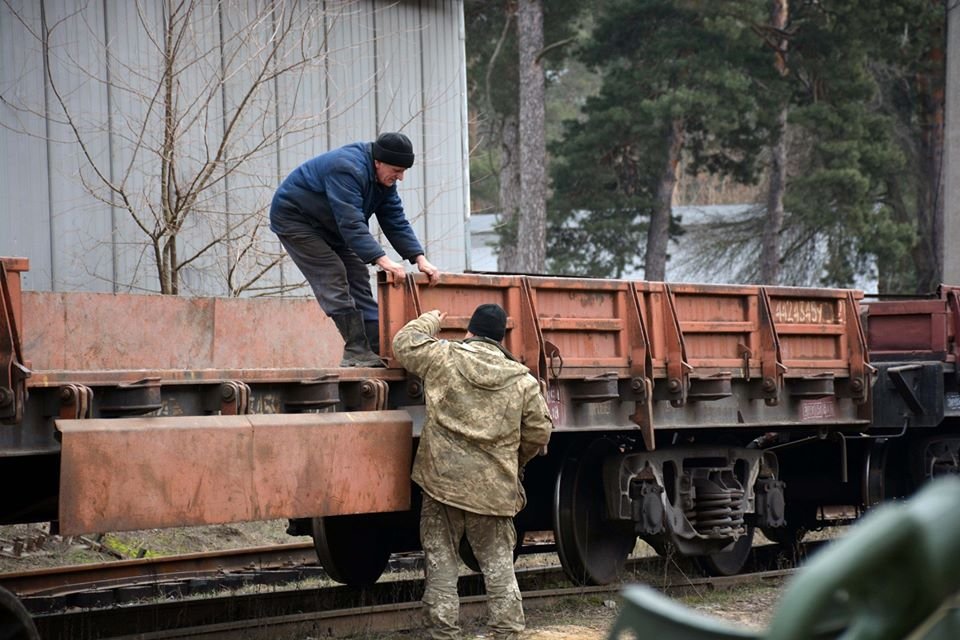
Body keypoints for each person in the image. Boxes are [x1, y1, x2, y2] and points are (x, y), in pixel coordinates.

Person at [392, 304, 553, 639]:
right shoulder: (522, 380)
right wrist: (514, 461)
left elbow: (405, 343)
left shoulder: (444, 357)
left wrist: (432, 319)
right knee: (498, 567)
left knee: (441, 565)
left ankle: (444, 633)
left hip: (441, 485)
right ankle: (505, 632)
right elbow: (540, 433)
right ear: (500, 338)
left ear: (470, 331)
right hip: (493, 489)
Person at [270, 132, 441, 367]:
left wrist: (419, 258)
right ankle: (356, 350)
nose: (400, 177)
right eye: (396, 170)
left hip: (330, 225)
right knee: (332, 272)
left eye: (403, 171)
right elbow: (351, 222)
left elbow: (394, 220)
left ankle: (373, 347)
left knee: (358, 274)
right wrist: (383, 260)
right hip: (296, 219)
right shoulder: (347, 168)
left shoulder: (383, 180)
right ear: (377, 162)